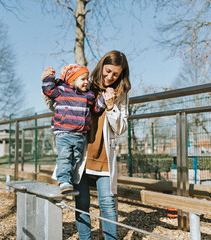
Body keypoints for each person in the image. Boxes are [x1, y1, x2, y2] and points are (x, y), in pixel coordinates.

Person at [73, 50, 131, 239]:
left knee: (108, 203)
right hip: (81, 154)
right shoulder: (85, 84)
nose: (110, 77)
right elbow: (62, 103)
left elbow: (121, 127)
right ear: (101, 67)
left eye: (115, 74)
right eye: (107, 71)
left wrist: (111, 106)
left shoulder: (121, 94)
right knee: (82, 202)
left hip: (105, 156)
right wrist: (47, 88)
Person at [42, 64, 106, 194]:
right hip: (63, 133)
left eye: (87, 79)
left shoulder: (88, 96)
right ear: (71, 80)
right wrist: (49, 76)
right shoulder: (61, 91)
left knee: (76, 158)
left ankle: (68, 178)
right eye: (83, 79)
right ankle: (64, 181)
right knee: (65, 157)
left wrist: (103, 99)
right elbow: (47, 89)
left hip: (80, 135)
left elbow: (95, 108)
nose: (86, 82)